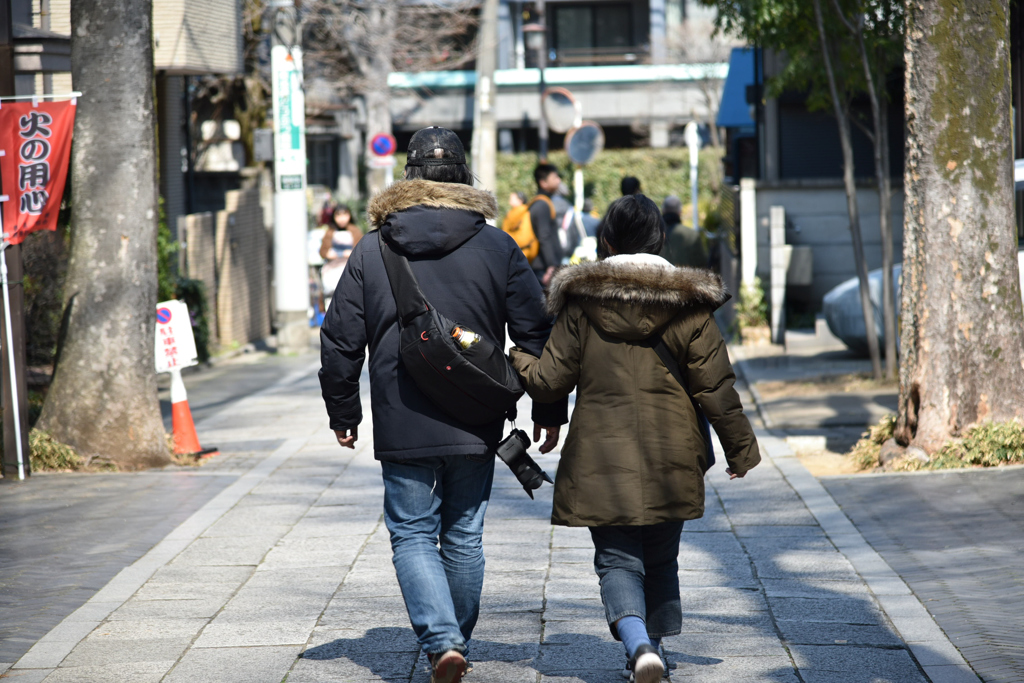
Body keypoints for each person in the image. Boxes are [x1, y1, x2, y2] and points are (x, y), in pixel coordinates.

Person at [319, 126, 567, 683]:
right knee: (463, 534)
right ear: (464, 176)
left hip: (402, 414)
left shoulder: (372, 246)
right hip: (476, 415)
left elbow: (339, 339)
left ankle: (442, 642)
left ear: (408, 175)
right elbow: (536, 333)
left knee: (410, 533)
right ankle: (453, 641)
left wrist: (344, 413)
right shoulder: (497, 245)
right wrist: (548, 410)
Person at [509, 194, 760, 683]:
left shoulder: (582, 303)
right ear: (661, 240)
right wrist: (741, 449)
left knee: (617, 559)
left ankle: (639, 645)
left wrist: (517, 356)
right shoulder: (690, 304)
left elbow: (549, 381)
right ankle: (654, 651)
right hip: (673, 453)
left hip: (600, 454)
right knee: (662, 555)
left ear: (606, 241)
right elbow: (716, 387)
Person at [530, 163, 565, 287]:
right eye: (555, 177)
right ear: (543, 183)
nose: (558, 180)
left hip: (542, 268)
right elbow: (544, 235)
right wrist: (551, 266)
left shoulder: (540, 203)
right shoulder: (542, 205)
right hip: (543, 269)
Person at [319, 204, 364, 296]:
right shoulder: (330, 231)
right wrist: (328, 254)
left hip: (350, 268)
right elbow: (322, 251)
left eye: (344, 215)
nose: (342, 218)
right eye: (338, 215)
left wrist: (352, 253)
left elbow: (361, 249)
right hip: (333, 268)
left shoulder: (355, 231)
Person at [660, 195, 708, 269]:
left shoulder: (653, 234)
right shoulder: (692, 235)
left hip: (658, 279)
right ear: (680, 212)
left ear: (663, 210)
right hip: (685, 279)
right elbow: (702, 263)